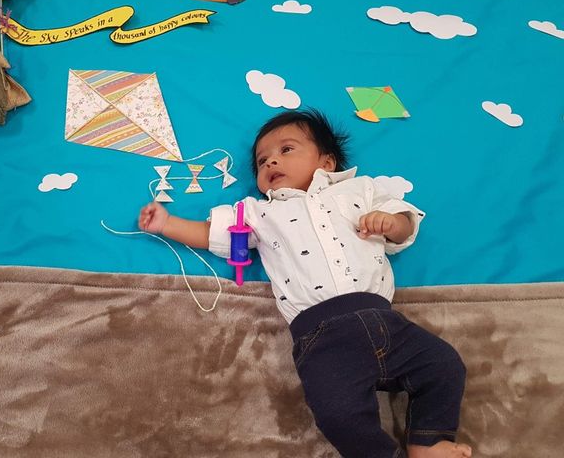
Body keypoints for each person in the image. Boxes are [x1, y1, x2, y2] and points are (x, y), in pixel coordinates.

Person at [139, 109, 472, 458]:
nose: (270, 163)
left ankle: (428, 441)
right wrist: (167, 223)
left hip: (385, 321)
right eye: (262, 160)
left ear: (327, 163)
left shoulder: (359, 190)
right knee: (337, 412)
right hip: (322, 336)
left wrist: (391, 222)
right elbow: (211, 234)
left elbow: (406, 223)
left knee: (444, 364)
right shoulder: (258, 212)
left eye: (286, 150)